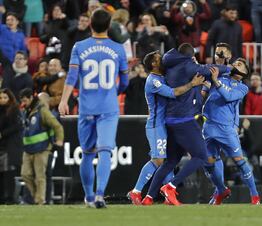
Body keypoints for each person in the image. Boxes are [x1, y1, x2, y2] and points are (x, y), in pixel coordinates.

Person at [142, 43, 229, 205]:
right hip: (184, 120)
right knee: (201, 156)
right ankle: (171, 186)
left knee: (171, 161)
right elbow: (206, 70)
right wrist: (229, 68)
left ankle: (148, 197)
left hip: (171, 120)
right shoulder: (187, 67)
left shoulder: (168, 65)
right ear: (189, 57)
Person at [58, 9, 129, 208]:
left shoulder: (79, 47)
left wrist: (64, 100)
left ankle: (88, 197)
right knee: (105, 151)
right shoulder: (118, 49)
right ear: (109, 26)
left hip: (86, 108)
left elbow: (72, 77)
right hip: (108, 107)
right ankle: (99, 195)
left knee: (88, 153)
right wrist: (115, 91)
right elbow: (124, 82)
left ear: (90, 24)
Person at [127, 51, 205, 205]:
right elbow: (173, 92)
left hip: (166, 124)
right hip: (156, 125)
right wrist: (192, 84)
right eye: (158, 58)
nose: (162, 59)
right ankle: (136, 191)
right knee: (158, 160)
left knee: (167, 161)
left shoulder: (162, 77)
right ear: (153, 64)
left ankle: (166, 196)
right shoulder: (153, 81)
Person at [202, 54, 260, 205]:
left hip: (225, 129)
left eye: (240, 65)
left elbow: (228, 96)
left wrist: (214, 81)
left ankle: (255, 196)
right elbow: (205, 84)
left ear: (245, 73)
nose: (236, 65)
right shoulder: (220, 76)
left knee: (239, 161)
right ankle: (221, 189)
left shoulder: (242, 88)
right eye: (235, 63)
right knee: (208, 163)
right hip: (208, 125)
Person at [20, 88, 64, 205]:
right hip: (28, 148)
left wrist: (59, 140)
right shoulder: (25, 111)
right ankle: (36, 197)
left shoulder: (42, 111)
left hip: (42, 148)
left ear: (30, 98)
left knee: (40, 177)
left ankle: (40, 201)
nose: (23, 103)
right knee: (25, 174)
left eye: (25, 100)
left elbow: (57, 126)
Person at [0, 88, 23, 204]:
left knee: (9, 173)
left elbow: (18, 126)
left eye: (5, 97)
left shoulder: (14, 110)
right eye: (1, 98)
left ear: (10, 98)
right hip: (2, 146)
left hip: (10, 146)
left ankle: (10, 198)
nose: (3, 100)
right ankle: (2, 198)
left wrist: (2, 134)